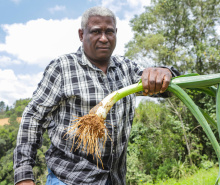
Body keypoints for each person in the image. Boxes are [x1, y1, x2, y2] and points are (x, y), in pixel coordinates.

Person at [13, 6, 179, 185]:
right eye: (96, 31)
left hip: (114, 179)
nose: (104, 38)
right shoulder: (62, 67)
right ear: (81, 34)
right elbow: (33, 118)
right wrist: (24, 176)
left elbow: (164, 88)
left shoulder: (126, 68)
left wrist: (165, 72)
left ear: (116, 33)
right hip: (68, 179)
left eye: (109, 32)